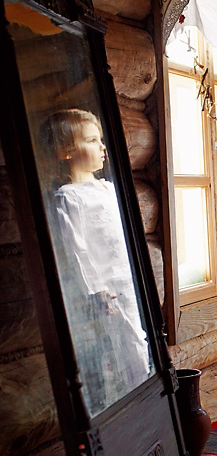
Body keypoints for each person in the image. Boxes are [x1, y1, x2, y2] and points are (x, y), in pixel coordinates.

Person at [40, 108, 151, 413]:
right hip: (110, 287)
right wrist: (97, 288)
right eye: (91, 140)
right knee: (129, 343)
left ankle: (144, 399)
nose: (102, 147)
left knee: (141, 339)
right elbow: (77, 249)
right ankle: (138, 405)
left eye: (100, 139)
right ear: (66, 151)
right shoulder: (69, 197)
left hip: (130, 276)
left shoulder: (109, 189)